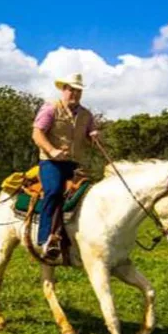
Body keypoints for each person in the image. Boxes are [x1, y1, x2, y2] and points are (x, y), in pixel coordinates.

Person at [32, 73, 100, 259]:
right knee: (54, 191)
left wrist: (94, 136)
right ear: (64, 90)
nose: (75, 94)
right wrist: (52, 150)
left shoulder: (86, 115)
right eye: (71, 90)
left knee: (89, 195)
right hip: (51, 162)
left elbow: (91, 132)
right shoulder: (51, 108)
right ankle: (45, 239)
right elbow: (37, 134)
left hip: (75, 163)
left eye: (78, 91)